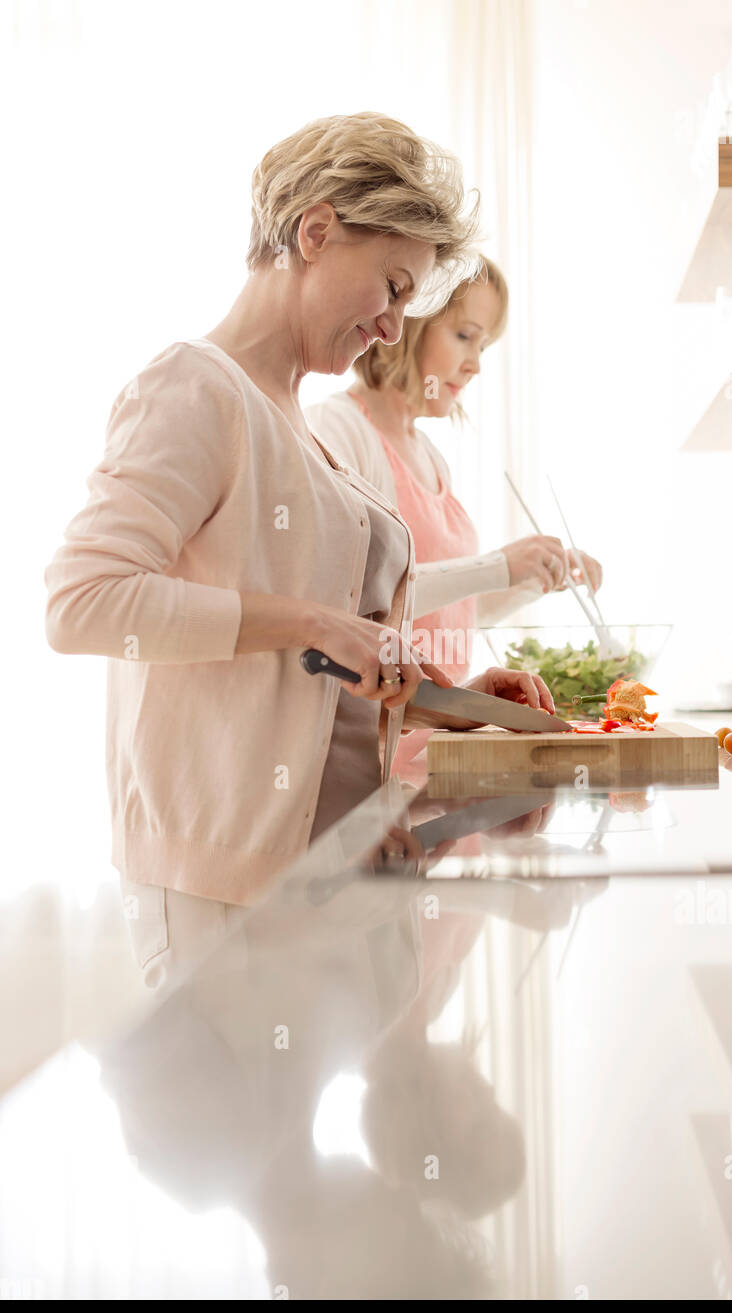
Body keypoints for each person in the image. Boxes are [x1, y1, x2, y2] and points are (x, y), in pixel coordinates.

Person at [43, 113, 555, 981]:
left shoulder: (293, 422)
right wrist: (314, 622)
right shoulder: (196, 388)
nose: (394, 329)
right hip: (223, 890)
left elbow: (310, 679)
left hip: (329, 877)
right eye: (393, 287)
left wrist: (446, 700)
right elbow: (80, 603)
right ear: (315, 232)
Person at [307, 255, 603, 687]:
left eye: (483, 346)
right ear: (410, 320)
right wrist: (498, 566)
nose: (475, 365)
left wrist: (533, 576)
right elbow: (362, 604)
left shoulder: (430, 456)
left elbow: (447, 613)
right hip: (383, 745)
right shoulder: (339, 429)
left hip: (437, 731)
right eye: (465, 336)